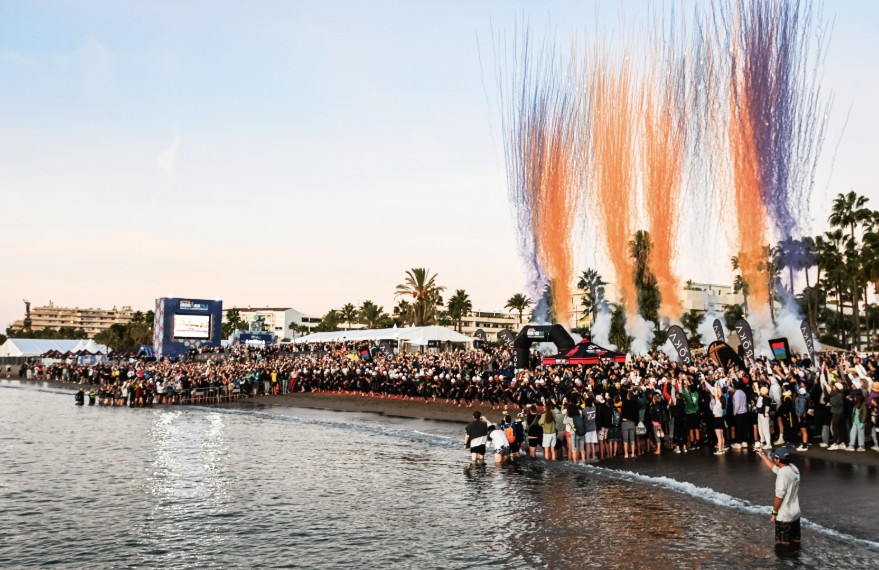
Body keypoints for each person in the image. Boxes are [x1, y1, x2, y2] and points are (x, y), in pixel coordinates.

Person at [758, 446, 801, 553]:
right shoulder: (793, 468)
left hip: (784, 515)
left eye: (774, 458)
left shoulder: (782, 474)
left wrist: (774, 513)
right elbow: (774, 468)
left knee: (784, 546)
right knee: (796, 541)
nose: (773, 460)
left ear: (778, 459)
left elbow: (779, 496)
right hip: (796, 513)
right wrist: (762, 455)